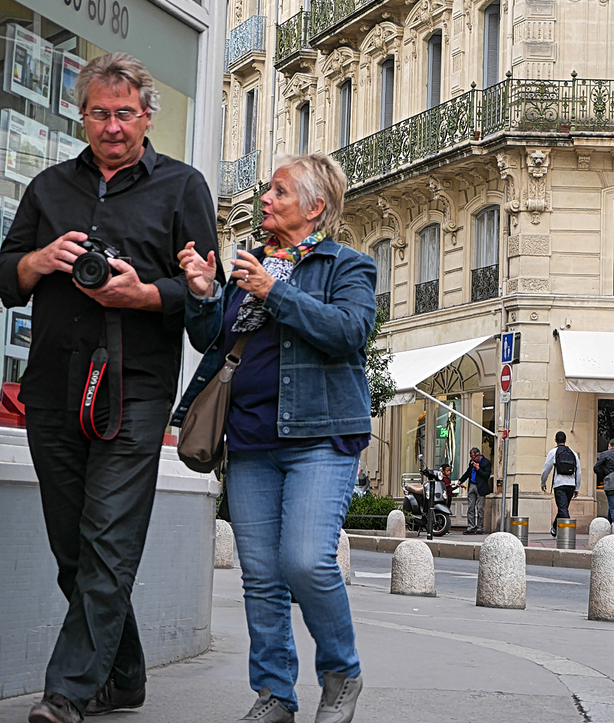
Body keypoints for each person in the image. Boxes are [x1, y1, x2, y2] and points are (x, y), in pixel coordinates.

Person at [0, 54, 221, 723]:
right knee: (74, 546)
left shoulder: (184, 187)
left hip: (136, 391)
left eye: (125, 113)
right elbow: (5, 274)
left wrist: (147, 293)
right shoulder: (47, 187)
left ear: (147, 116)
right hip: (51, 389)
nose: (112, 126)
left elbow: (207, 298)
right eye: (99, 112)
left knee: (108, 541)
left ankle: (66, 691)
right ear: (82, 114)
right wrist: (39, 260)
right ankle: (123, 675)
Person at [173, 153, 377, 723]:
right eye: (267, 191)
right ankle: (274, 696)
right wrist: (202, 293)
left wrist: (274, 291)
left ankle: (341, 675)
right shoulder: (250, 264)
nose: (265, 199)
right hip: (250, 440)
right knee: (261, 578)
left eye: (280, 192)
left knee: (307, 562)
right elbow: (211, 341)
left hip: (320, 436)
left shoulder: (348, 266)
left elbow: (350, 332)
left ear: (315, 207)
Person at [541, 430, 581, 537]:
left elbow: (546, 469)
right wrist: (577, 487)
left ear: (555, 440)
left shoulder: (553, 452)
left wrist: (543, 482)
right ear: (565, 440)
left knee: (563, 509)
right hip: (571, 485)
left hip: (559, 485)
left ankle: (569, 534)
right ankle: (554, 528)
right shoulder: (573, 453)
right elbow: (579, 471)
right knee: (563, 508)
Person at [458, 446, 492, 534]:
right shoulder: (472, 463)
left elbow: (486, 476)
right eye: (471, 457)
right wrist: (460, 480)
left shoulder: (486, 463)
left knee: (480, 508)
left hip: (480, 487)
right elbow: (468, 472)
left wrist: (478, 469)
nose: (472, 459)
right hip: (472, 485)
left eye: (473, 457)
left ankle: (480, 527)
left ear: (478, 455)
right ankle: (471, 526)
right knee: (470, 507)